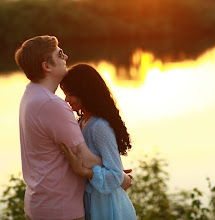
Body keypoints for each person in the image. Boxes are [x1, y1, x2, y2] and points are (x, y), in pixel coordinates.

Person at [15, 36, 132, 220]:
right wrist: (117, 174)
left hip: (42, 203)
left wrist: (110, 169)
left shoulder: (30, 95)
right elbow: (83, 157)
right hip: (60, 209)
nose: (66, 57)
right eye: (60, 54)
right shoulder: (51, 104)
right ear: (47, 66)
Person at [59, 63, 137, 220]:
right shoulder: (81, 122)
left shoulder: (99, 126)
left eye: (70, 94)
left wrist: (85, 172)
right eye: (65, 94)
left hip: (108, 208)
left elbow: (115, 176)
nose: (66, 99)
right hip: (91, 204)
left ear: (85, 92)